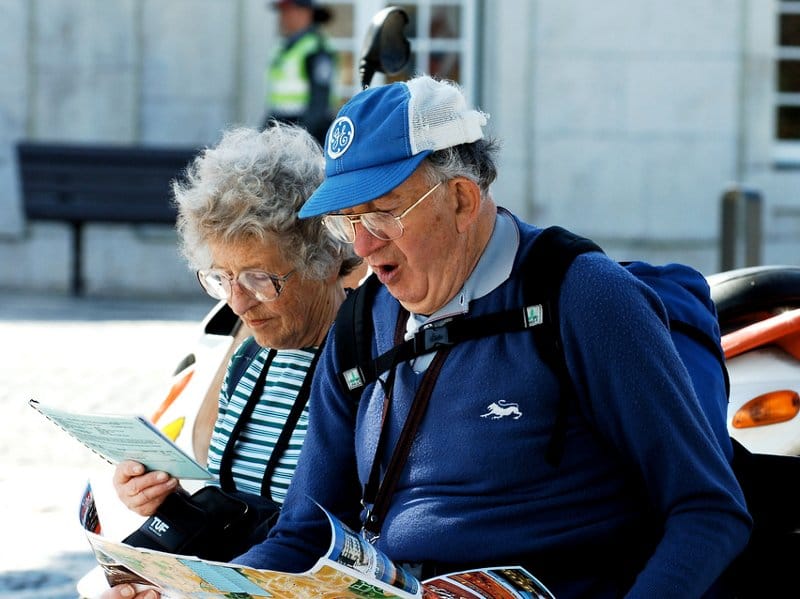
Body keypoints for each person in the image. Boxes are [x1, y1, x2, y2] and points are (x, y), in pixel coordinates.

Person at [104, 76, 751, 599]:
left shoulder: (578, 295)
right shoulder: (362, 322)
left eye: (381, 212)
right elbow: (305, 531)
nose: (361, 245)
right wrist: (201, 589)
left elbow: (708, 510)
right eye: (347, 219)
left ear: (463, 200)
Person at [111, 123, 360, 522]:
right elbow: (238, 509)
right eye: (222, 278)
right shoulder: (248, 360)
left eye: (259, 278)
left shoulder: (370, 366)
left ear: (327, 260)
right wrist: (166, 502)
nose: (238, 303)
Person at [261, 0, 339, 145]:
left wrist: (299, 141)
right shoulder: (284, 48)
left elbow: (319, 104)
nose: (282, 17)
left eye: (287, 11)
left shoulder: (316, 48)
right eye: (282, 12)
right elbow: (277, 99)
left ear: (305, 13)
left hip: (306, 132)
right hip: (282, 126)